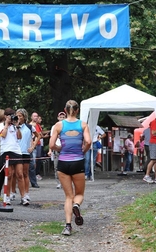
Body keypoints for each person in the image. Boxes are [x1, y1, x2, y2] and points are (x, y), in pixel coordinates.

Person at [49, 100, 91, 236]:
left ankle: (68, 226)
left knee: (68, 196)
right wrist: (83, 151)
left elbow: (51, 144)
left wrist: (59, 148)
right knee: (79, 194)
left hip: (63, 163)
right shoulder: (82, 125)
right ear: (77, 110)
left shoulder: (59, 125)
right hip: (78, 161)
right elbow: (89, 141)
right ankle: (76, 205)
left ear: (65, 110)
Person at [0, 108, 23, 205]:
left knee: (20, 174)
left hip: (16, 150)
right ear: (5, 116)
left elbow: (19, 137)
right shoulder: (1, 125)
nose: (11, 117)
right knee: (8, 175)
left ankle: (23, 196)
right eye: (10, 115)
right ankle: (7, 196)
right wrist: (7, 124)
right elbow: (3, 135)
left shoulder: (15, 126)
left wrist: (17, 126)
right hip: (6, 151)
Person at [16, 108, 40, 204]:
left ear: (24, 117)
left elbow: (38, 136)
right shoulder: (14, 126)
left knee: (25, 173)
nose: (18, 117)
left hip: (26, 152)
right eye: (17, 116)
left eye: (20, 116)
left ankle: (26, 193)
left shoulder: (29, 127)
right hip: (17, 152)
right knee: (19, 174)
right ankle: (21, 194)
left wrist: (33, 146)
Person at [47, 111, 67, 189]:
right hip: (56, 148)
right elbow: (52, 139)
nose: (61, 118)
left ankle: (65, 181)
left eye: (63, 117)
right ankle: (58, 182)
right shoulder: (54, 127)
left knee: (65, 166)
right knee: (57, 166)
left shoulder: (67, 126)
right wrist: (50, 150)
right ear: (58, 118)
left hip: (65, 148)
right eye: (60, 117)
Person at [143, 118, 156, 184]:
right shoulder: (155, 122)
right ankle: (147, 175)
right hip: (154, 142)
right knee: (153, 159)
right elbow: (153, 132)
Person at [30, 112, 43, 184]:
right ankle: (33, 176)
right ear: (31, 117)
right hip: (33, 145)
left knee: (37, 160)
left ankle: (35, 175)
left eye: (37, 116)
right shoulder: (30, 125)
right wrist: (33, 145)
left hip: (38, 144)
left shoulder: (38, 125)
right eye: (34, 116)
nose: (36, 117)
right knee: (33, 161)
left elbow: (40, 135)